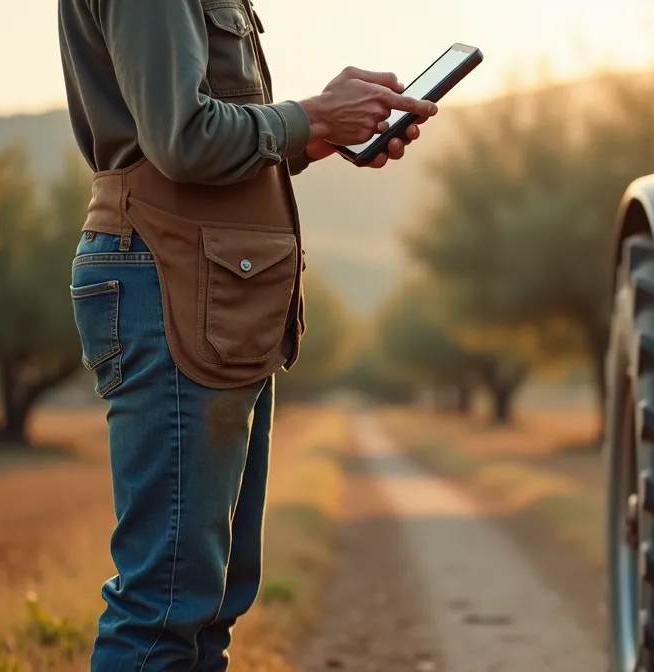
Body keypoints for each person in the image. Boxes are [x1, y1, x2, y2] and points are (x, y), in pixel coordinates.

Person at [56, 0, 437, 669]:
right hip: (170, 276)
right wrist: (314, 114)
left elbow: (194, 146)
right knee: (165, 606)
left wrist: (311, 136)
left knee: (207, 605)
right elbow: (180, 139)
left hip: (202, 282)